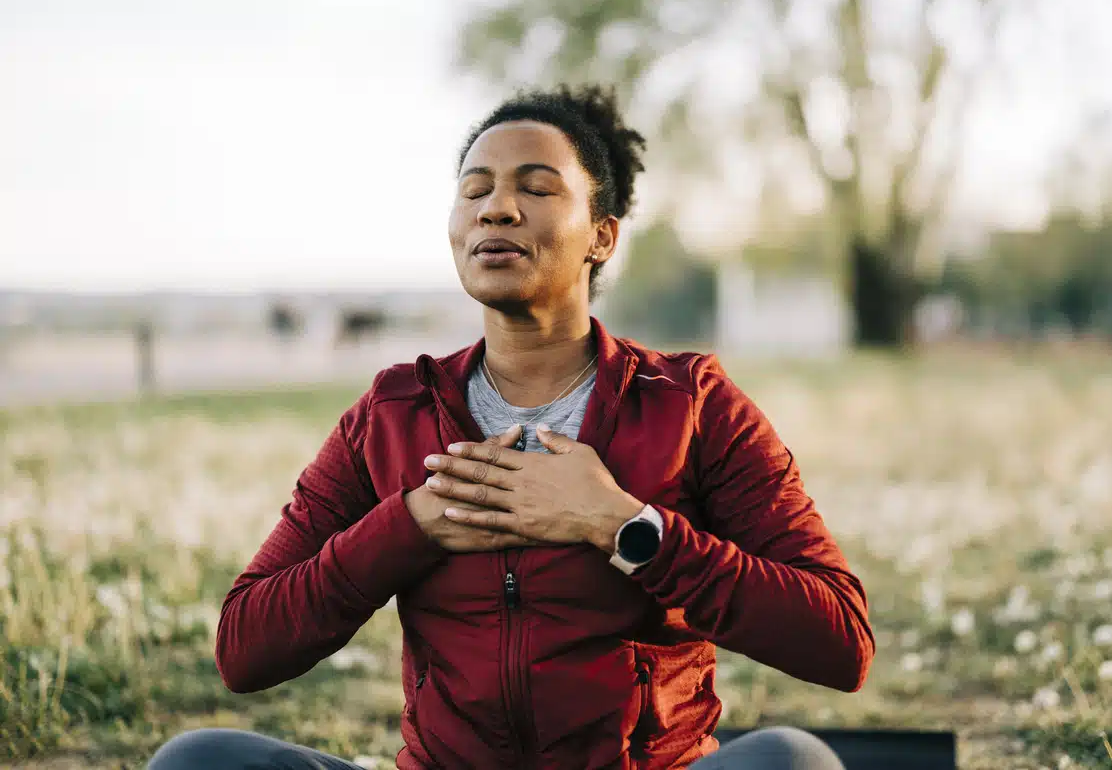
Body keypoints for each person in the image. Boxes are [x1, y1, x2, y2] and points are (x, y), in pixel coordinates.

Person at [148, 85, 875, 769]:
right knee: (198, 762)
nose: (496, 209)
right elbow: (245, 649)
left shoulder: (692, 405)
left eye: (535, 188)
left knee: (793, 760)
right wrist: (407, 529)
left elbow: (841, 641)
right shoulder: (394, 413)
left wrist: (625, 526)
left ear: (601, 236)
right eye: (475, 190)